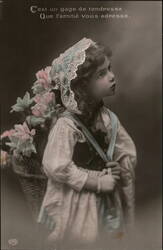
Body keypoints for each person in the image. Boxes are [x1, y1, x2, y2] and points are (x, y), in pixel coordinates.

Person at [37, 38, 137, 250]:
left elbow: (126, 152)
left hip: (109, 199)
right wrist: (97, 183)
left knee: (110, 239)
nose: (111, 76)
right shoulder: (67, 125)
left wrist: (119, 168)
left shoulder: (109, 119)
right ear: (81, 86)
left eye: (109, 69)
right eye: (101, 74)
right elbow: (56, 165)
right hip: (80, 201)